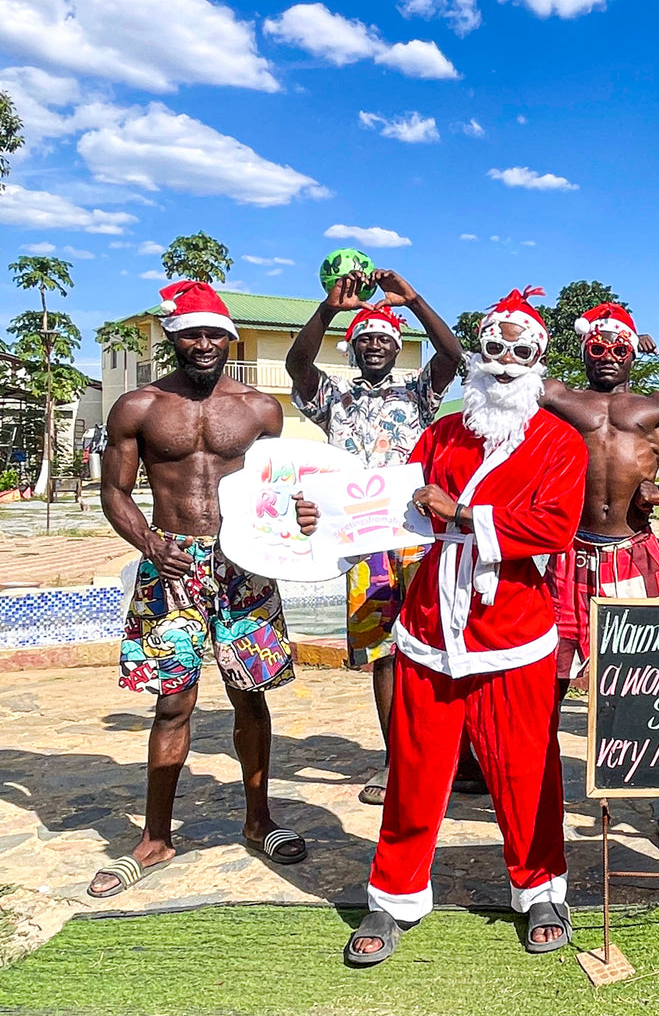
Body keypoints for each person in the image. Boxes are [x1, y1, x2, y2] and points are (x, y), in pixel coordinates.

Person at [340, 288, 587, 965]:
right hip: (431, 623)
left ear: (539, 358)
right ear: (479, 356)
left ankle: (540, 888)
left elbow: (555, 527)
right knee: (414, 767)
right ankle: (393, 897)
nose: (506, 361)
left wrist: (459, 516)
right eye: (496, 347)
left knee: (526, 768)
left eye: (522, 349)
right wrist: (323, 520)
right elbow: (387, 508)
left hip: (514, 628)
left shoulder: (559, 442)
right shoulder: (442, 432)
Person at [88, 281, 307, 898]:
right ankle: (156, 836)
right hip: (172, 562)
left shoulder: (263, 409)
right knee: (172, 704)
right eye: (191, 333)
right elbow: (114, 491)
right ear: (172, 336)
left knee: (251, 697)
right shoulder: (139, 406)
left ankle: (259, 819)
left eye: (214, 333)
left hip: (245, 566)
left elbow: (280, 490)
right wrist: (150, 544)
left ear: (230, 336)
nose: (204, 344)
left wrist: (301, 519)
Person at [541, 301, 659, 856]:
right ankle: (542, 800)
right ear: (580, 347)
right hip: (567, 554)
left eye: (618, 346)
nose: (607, 356)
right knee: (548, 685)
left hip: (633, 555)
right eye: (597, 345)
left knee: (656, 684)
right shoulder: (556, 397)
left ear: (632, 351)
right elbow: (497, 379)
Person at [287, 265, 467, 805]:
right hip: (361, 542)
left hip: (419, 534)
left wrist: (412, 299)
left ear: (395, 348)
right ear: (352, 348)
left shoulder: (417, 395)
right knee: (383, 654)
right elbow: (298, 364)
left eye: (383, 340)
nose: (373, 346)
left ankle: (455, 756)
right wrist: (326, 310)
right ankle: (396, 761)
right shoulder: (332, 398)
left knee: (440, 643)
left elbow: (453, 356)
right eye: (363, 340)